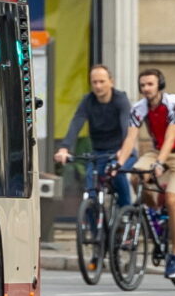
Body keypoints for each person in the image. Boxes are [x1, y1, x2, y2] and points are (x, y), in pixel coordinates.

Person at [117, 67, 175, 279]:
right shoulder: (139, 108)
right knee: (135, 176)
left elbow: (171, 137)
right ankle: (154, 214)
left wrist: (161, 163)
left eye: (150, 84)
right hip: (156, 151)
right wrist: (118, 163)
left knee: (172, 199)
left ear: (160, 85)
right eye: (143, 85)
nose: (146, 89)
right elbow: (130, 138)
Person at [52, 64, 132, 209]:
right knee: (90, 192)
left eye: (102, 81)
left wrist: (122, 151)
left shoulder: (121, 100)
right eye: (94, 82)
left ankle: (126, 213)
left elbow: (127, 128)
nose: (98, 86)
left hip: (121, 151)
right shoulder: (88, 101)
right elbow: (76, 122)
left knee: (118, 173)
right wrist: (64, 148)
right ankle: (94, 229)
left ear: (111, 82)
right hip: (99, 153)